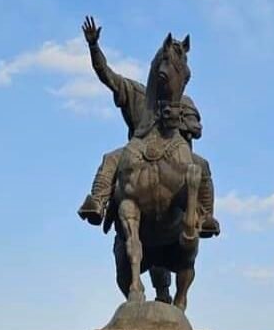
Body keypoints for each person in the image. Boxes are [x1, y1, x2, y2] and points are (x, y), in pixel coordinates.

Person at [77, 16, 219, 239]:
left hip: (174, 150)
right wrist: (94, 46)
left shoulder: (184, 101)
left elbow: (196, 128)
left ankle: (205, 215)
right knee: (111, 158)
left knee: (202, 166)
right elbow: (107, 75)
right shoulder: (136, 93)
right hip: (139, 150)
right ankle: (98, 201)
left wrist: (185, 121)